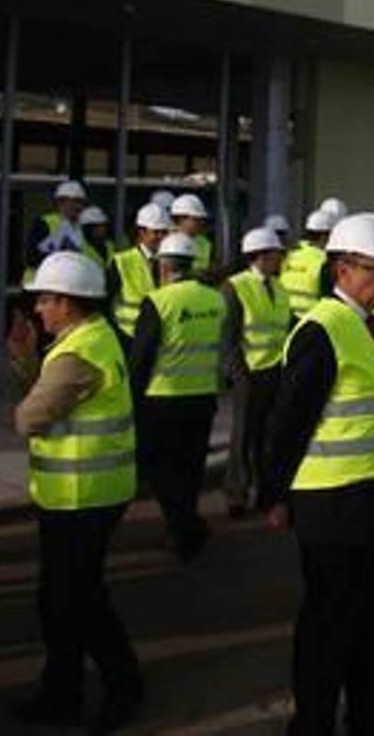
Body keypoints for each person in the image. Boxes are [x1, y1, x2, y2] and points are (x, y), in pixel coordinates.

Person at [262, 213, 374, 736]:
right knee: (330, 625)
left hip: (372, 499)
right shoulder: (322, 329)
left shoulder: (370, 326)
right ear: (343, 268)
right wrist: (274, 492)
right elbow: (287, 421)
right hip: (333, 507)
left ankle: (373, 720)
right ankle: (313, 725)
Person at [7, 253, 143, 730]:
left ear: (67, 302)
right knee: (62, 599)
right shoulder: (96, 337)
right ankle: (61, 692)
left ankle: (121, 687)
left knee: (77, 602)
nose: (39, 309)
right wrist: (28, 362)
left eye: (44, 299)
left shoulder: (75, 356)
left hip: (80, 496)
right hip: (80, 493)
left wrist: (30, 370)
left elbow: (27, 418)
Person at [128, 232, 224, 562]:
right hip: (202, 399)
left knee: (157, 467)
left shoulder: (158, 302)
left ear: (163, 267)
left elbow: (140, 357)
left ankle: (185, 525)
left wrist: (131, 398)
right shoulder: (214, 300)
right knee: (190, 469)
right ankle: (182, 531)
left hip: (163, 400)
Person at [220, 228, 292, 518]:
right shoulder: (235, 287)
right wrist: (239, 375)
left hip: (275, 372)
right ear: (261, 256)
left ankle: (266, 492)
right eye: (277, 254)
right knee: (243, 437)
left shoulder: (280, 288)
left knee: (270, 437)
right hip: (248, 374)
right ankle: (236, 495)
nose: (281, 259)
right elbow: (228, 338)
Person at [107, 203, 170, 337]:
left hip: (163, 334)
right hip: (129, 335)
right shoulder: (122, 261)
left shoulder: (171, 261)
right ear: (141, 232)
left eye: (165, 232)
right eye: (156, 232)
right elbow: (105, 301)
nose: (161, 237)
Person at [26, 179, 89, 281]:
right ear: (60, 203)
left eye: (80, 201)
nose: (78, 206)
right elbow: (32, 258)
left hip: (66, 283)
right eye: (73, 201)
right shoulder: (45, 223)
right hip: (39, 283)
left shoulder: (83, 226)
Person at [281, 208, 337, 318]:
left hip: (285, 320)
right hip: (311, 321)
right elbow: (328, 299)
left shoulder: (289, 256)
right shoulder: (324, 261)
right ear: (325, 236)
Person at [169, 194, 215, 276]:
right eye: (196, 219)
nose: (201, 223)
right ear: (180, 219)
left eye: (201, 219)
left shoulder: (204, 243)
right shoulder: (165, 242)